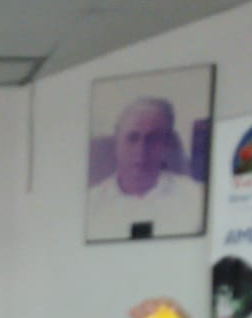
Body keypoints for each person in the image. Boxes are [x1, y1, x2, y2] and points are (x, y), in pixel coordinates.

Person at [86, 98, 206, 241]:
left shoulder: (197, 197)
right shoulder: (90, 204)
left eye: (153, 139)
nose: (141, 150)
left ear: (166, 144)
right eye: (132, 138)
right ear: (117, 141)